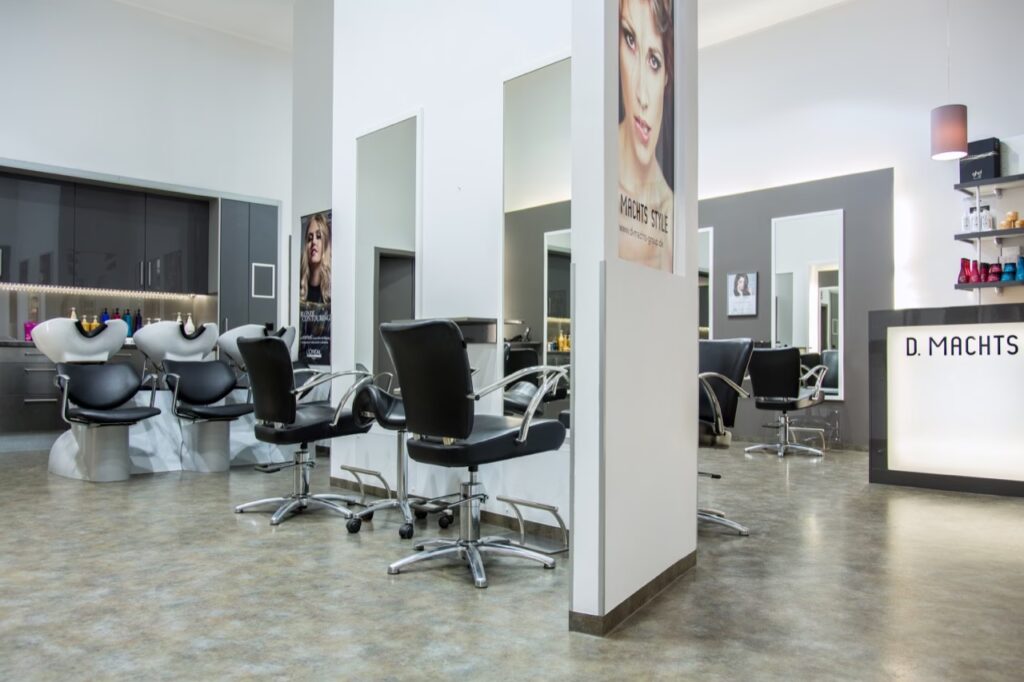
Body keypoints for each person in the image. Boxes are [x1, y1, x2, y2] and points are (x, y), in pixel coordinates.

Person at [617, 0, 674, 272]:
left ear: (666, 76)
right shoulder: (596, 182)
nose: (642, 94)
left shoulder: (669, 214)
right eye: (630, 40)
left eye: (654, 61)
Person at [300, 212, 331, 305]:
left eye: (318, 236)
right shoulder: (299, 287)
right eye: (310, 238)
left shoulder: (332, 289)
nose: (313, 241)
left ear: (325, 243)